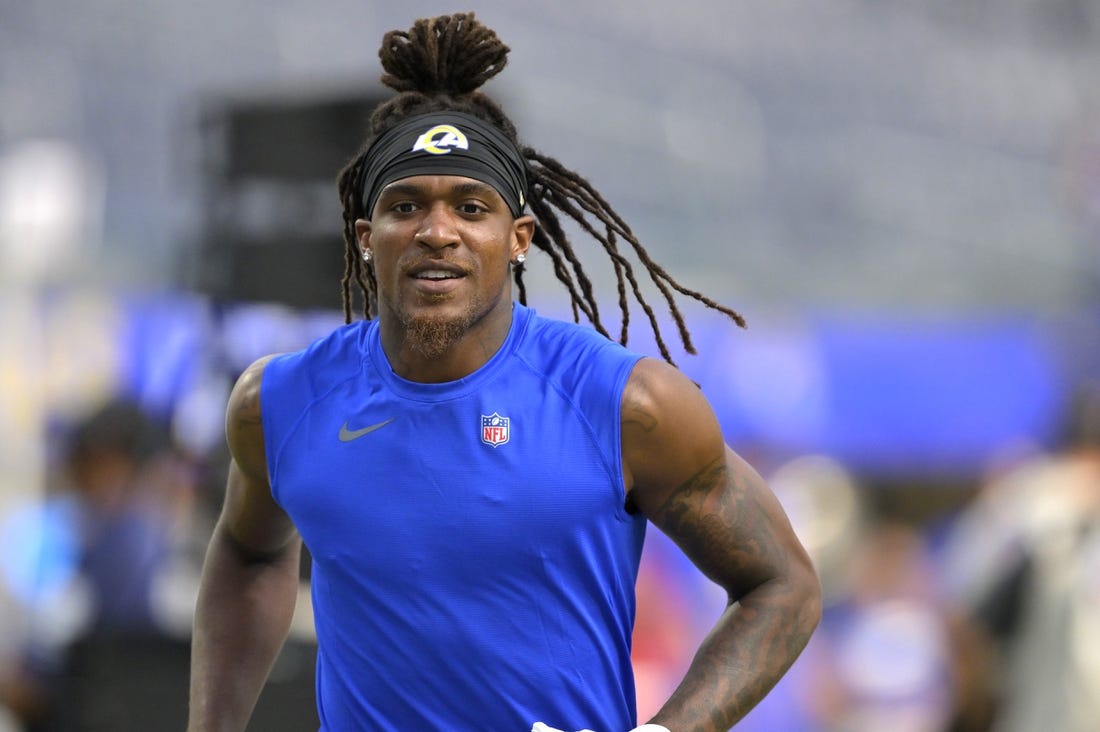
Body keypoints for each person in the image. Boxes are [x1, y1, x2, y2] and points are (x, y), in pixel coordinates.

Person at [188, 13, 821, 732]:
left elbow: (782, 584)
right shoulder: (278, 403)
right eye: (405, 207)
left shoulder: (626, 405)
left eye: (470, 206)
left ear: (518, 239)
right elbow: (247, 553)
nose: (437, 231)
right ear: (366, 239)